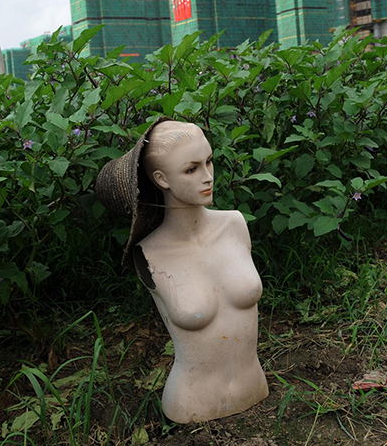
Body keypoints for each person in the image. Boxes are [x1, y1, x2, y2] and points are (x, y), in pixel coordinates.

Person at [96, 118, 268, 423]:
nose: (207, 177)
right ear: (162, 179)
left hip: (256, 387)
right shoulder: (149, 254)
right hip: (192, 404)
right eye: (191, 169)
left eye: (209, 162)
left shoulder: (235, 225)